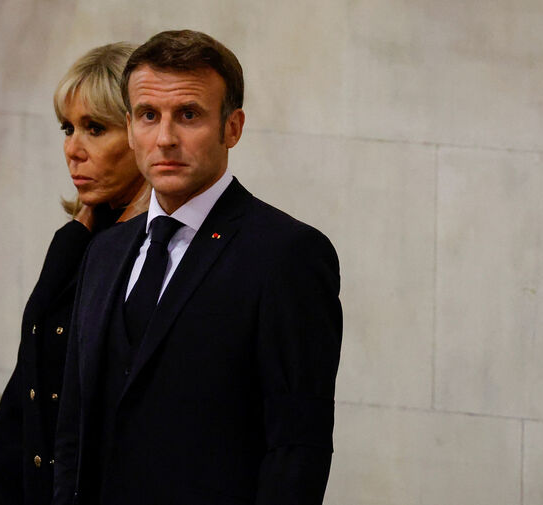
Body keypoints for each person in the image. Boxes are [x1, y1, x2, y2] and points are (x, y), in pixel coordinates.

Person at [53, 30, 342, 504]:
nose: (165, 138)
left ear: (233, 127)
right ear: (130, 127)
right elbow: (73, 434)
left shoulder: (286, 254)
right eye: (149, 115)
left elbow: (296, 448)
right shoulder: (103, 252)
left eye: (188, 115)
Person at [0, 42, 148, 505]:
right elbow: (28, 391)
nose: (73, 150)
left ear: (140, 133)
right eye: (68, 128)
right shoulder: (79, 237)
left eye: (95, 129)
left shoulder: (155, 251)